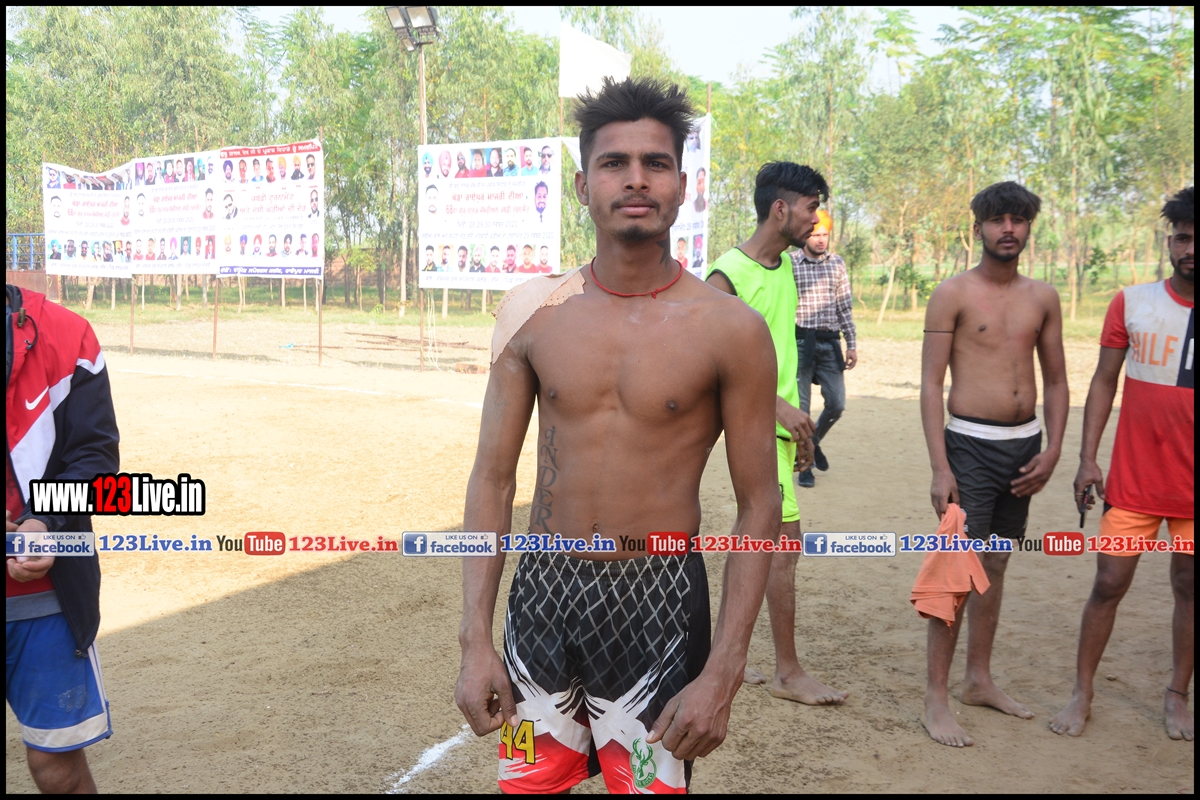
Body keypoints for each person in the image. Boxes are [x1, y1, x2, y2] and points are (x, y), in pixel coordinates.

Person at [456, 76, 781, 795]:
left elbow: (761, 505)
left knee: (648, 791)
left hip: (660, 609)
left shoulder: (731, 330)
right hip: (540, 603)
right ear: (582, 185)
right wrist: (475, 639)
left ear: (682, 186)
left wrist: (723, 671)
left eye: (655, 163)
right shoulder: (531, 312)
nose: (636, 179)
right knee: (525, 786)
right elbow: (492, 478)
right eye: (614, 163)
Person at [919, 181, 1069, 748]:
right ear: (978, 227)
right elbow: (931, 384)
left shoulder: (1043, 297)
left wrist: (1053, 449)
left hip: (1024, 449)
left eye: (1018, 219)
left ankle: (978, 679)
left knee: (997, 563)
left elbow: (1057, 380)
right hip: (969, 448)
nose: (1008, 229)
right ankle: (936, 696)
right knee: (957, 568)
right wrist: (941, 467)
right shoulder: (952, 293)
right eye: (997, 219)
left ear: (1029, 227)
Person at [1049, 186, 1194, 742]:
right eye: (1182, 238)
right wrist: (1088, 459)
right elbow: (1104, 381)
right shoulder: (1131, 302)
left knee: (1190, 585)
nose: (1190, 250)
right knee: (1108, 583)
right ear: (1169, 242)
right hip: (1135, 483)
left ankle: (1177, 694)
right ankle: (1082, 692)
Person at [706, 161, 848, 706]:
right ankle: (788, 672)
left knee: (753, 541)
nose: (817, 220)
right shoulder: (727, 277)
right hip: (756, 430)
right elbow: (712, 365)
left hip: (782, 430)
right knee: (783, 548)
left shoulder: (784, 265)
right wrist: (779, 409)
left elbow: (778, 359)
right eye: (811, 208)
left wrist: (798, 425)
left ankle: (725, 655)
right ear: (780, 209)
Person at [6, 280, 120, 794]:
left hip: (43, 600)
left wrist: (45, 523)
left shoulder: (67, 335)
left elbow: (96, 458)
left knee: (56, 770)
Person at [791, 209, 857, 489]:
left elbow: (844, 306)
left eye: (825, 235)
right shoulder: (790, 263)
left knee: (837, 403)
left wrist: (851, 343)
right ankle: (805, 468)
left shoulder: (837, 264)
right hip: (800, 343)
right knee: (802, 410)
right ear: (806, 234)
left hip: (830, 343)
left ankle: (813, 443)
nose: (820, 240)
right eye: (816, 234)